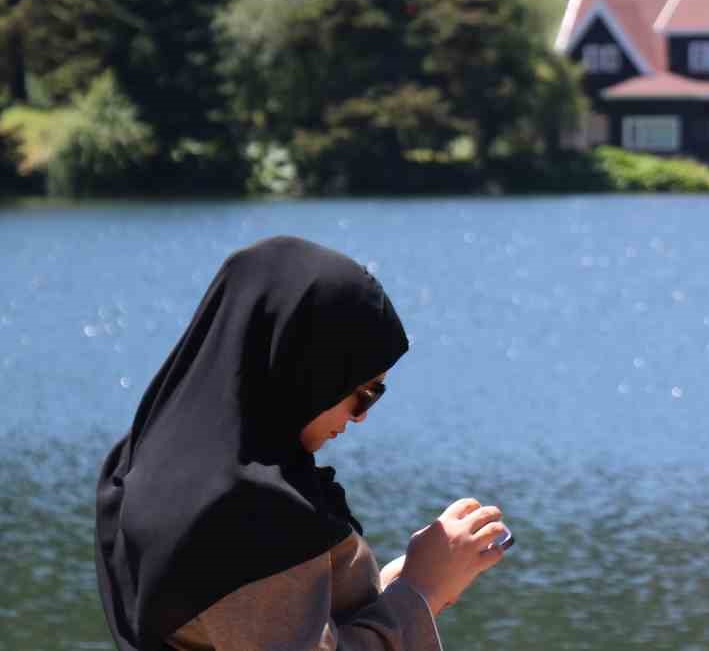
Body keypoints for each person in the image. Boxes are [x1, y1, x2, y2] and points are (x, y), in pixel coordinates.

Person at [95, 235, 510, 651]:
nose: (362, 414)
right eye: (363, 390)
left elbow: (268, 624)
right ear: (309, 366)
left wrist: (397, 583)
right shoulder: (241, 512)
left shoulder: (150, 461)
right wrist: (423, 591)